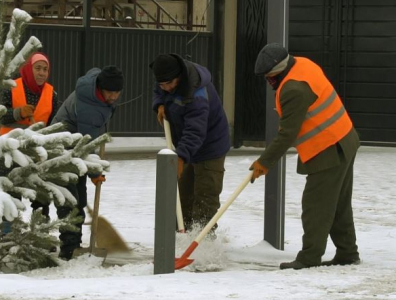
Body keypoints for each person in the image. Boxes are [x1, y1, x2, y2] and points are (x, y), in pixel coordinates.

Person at [250, 43, 361, 270]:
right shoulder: (303, 64)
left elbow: (287, 134)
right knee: (338, 204)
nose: (269, 83)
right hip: (345, 137)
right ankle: (348, 252)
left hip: (328, 148)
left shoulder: (293, 90)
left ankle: (309, 258)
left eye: (270, 78)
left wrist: (264, 162)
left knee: (316, 207)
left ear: (278, 72)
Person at [149, 53, 230, 235]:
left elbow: (195, 132)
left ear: (179, 76)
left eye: (169, 84)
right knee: (182, 196)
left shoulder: (197, 95)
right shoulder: (166, 79)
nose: (166, 88)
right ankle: (180, 238)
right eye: (162, 84)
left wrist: (182, 156)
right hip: (185, 145)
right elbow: (158, 90)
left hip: (211, 147)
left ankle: (202, 242)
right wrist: (160, 104)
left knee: (205, 197)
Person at [51, 65, 124, 260]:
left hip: (75, 151)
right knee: (70, 201)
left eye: (117, 92)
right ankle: (69, 248)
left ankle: (75, 245)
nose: (114, 97)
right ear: (100, 88)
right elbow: (86, 144)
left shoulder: (94, 88)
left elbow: (95, 69)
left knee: (79, 199)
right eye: (111, 92)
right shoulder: (89, 108)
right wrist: (94, 172)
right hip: (62, 151)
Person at [0, 52, 59, 232]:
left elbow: (53, 124)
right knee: (11, 193)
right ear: (28, 69)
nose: (42, 73)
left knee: (40, 195)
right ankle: (8, 235)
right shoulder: (12, 87)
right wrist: (19, 113)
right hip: (10, 150)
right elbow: (0, 116)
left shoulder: (51, 93)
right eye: (38, 68)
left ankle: (40, 234)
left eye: (45, 69)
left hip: (37, 152)